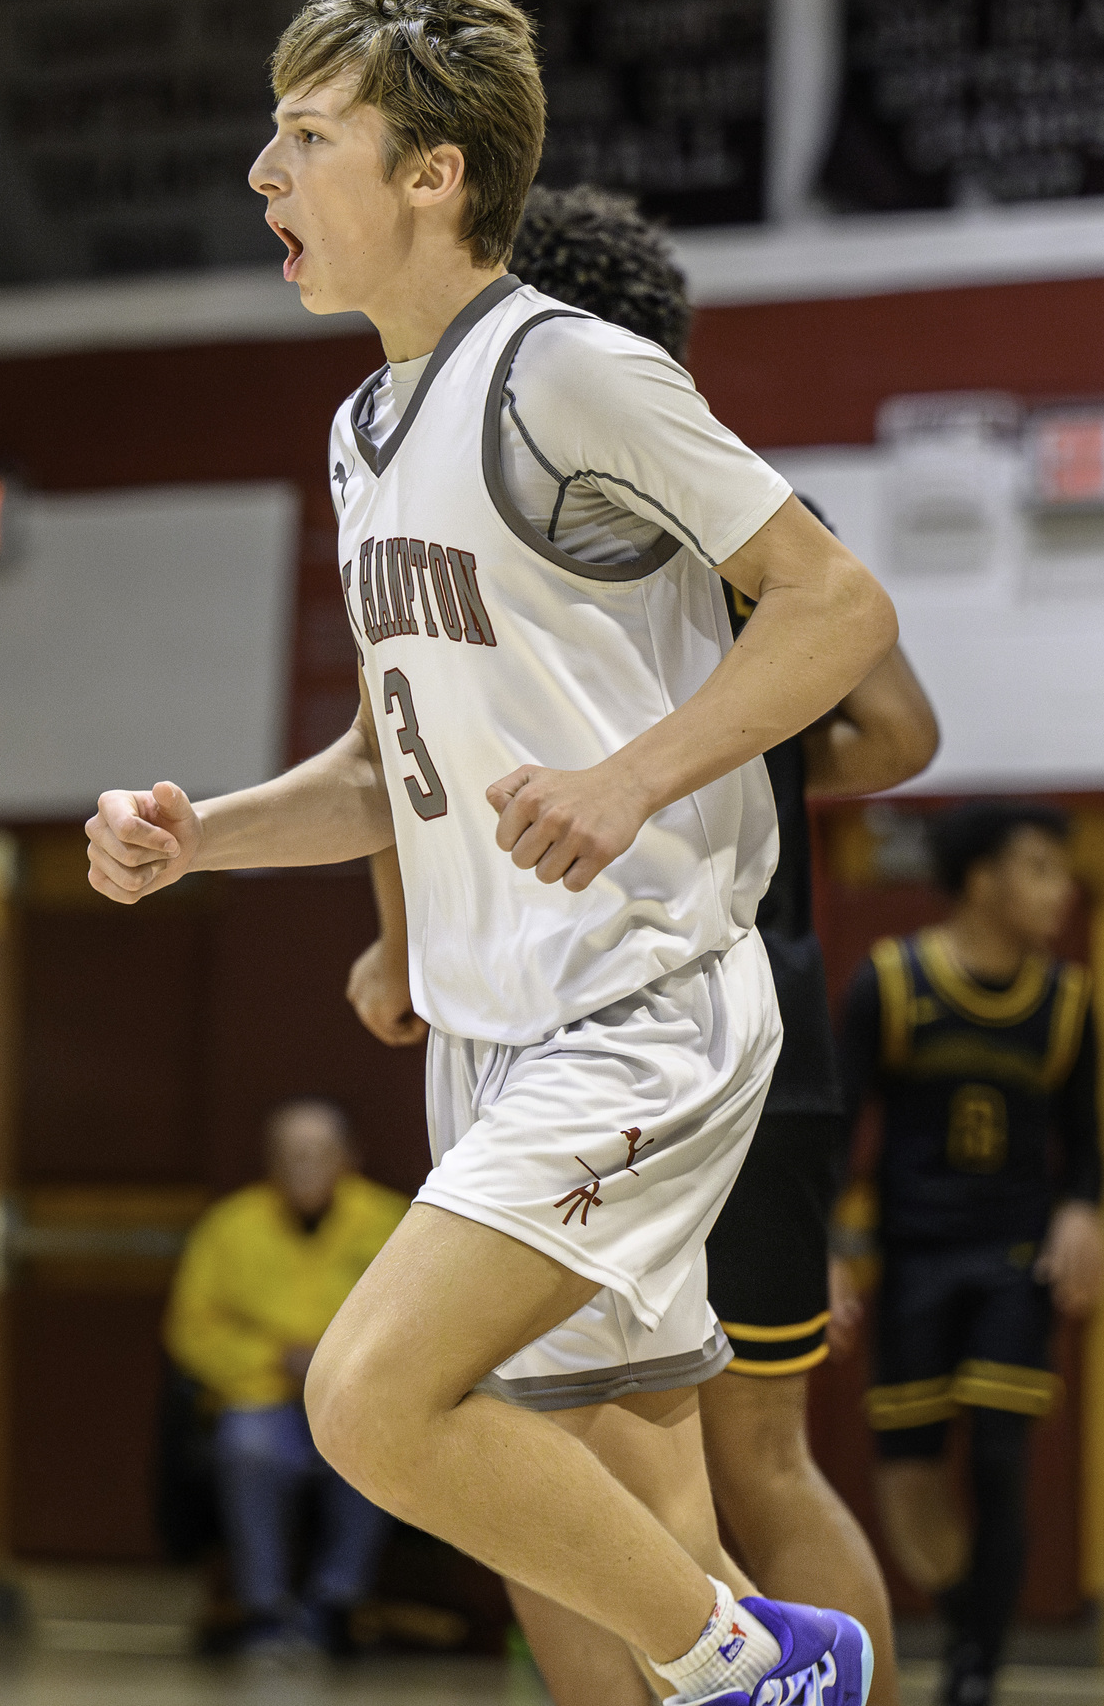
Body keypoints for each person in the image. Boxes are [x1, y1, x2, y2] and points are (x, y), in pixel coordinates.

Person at [88, 0, 899, 1705]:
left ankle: (768, 1665)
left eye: (305, 138)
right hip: (499, 1035)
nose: (264, 176)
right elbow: (403, 759)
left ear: (434, 173)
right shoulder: (364, 429)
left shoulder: (570, 372)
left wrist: (634, 777)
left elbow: (835, 609)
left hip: (641, 1020)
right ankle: (733, 1654)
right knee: (605, 1539)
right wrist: (200, 836)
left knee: (371, 1398)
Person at [347, 184, 938, 1706]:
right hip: (645, 998)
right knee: (627, 1455)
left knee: (617, 1442)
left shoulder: (663, 479)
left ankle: (770, 1666)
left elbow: (861, 661)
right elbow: (891, 734)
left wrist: (668, 760)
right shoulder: (438, 455)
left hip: (668, 993)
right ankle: (756, 1669)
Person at [835, 801, 1104, 1706]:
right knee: (908, 1477)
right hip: (914, 1259)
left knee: (1000, 1453)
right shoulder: (892, 982)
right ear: (982, 879)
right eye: (1039, 868)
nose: (1060, 890)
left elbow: (1090, 1150)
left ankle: (974, 1669)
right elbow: (836, 1132)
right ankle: (968, 1622)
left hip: (1015, 1258)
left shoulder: (1069, 1002)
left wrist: (1083, 1212)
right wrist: (831, 1246)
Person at [164, 1099, 407, 1655]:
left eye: (318, 1154)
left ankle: (335, 1603)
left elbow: (420, 1319)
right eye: (290, 1155)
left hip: (355, 1395)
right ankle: (265, 1610)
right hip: (261, 1394)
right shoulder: (230, 1226)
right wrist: (273, 1358)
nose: (304, 1167)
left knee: (374, 1449)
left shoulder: (395, 1222)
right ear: (270, 1162)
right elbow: (191, 1329)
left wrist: (339, 1360)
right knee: (248, 1449)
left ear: (349, 1158)